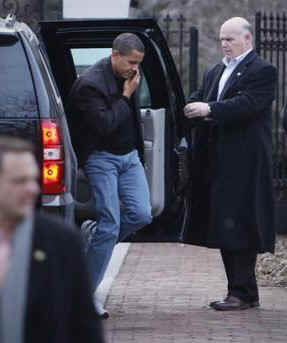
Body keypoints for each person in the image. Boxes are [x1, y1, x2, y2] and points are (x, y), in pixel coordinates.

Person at [183, 17, 277, 311]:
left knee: (242, 223)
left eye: (231, 39)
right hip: (219, 161)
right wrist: (192, 104)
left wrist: (209, 109)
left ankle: (244, 293)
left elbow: (248, 104)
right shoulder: (216, 71)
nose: (225, 44)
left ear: (247, 39)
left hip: (246, 161)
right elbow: (203, 97)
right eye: (222, 39)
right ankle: (238, 291)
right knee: (226, 224)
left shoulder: (263, 70)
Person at [67, 33, 152, 317]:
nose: (135, 69)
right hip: (101, 159)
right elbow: (105, 125)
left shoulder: (130, 75)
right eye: (131, 62)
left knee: (141, 215)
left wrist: (139, 153)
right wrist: (126, 94)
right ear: (114, 54)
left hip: (128, 158)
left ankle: (97, 233)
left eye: (138, 63)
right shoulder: (89, 85)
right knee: (111, 223)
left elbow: (132, 120)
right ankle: (84, 297)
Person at [0, 135, 105, 343]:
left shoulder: (61, 242)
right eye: (20, 181)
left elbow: (85, 328)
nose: (33, 189)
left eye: (33, 179)